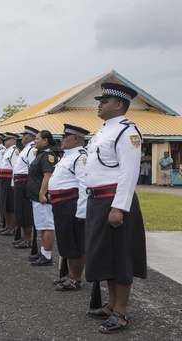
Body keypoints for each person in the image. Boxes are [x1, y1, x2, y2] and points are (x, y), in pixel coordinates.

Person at [85, 83, 147, 334]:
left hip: (114, 201)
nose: (99, 104)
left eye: (105, 100)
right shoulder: (103, 131)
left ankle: (120, 313)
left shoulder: (127, 132)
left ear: (119, 105)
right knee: (104, 255)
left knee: (120, 257)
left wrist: (118, 207)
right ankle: (111, 305)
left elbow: (129, 172)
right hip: (98, 200)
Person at [48, 124, 89, 290]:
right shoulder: (67, 156)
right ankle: (70, 274)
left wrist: (81, 211)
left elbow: (84, 185)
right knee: (66, 240)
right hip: (61, 204)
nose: (61, 139)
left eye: (65, 137)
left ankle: (76, 278)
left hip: (71, 204)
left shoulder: (81, 156)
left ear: (76, 139)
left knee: (74, 243)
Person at [26, 130, 57, 266]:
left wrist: (42, 194)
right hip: (37, 197)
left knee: (48, 226)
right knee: (42, 226)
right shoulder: (40, 154)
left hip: (43, 197)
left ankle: (48, 256)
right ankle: (43, 252)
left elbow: (47, 175)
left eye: (37, 139)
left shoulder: (48, 155)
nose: (35, 141)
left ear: (45, 140)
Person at [13, 126, 39, 249]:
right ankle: (25, 236)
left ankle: (28, 239)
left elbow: (33, 169)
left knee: (26, 211)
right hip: (20, 182)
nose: (22, 137)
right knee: (20, 210)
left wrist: (31, 187)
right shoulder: (26, 149)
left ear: (32, 137)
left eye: (25, 135)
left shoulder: (32, 149)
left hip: (25, 182)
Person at [0, 133, 20, 236]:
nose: (5, 142)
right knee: (4, 204)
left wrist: (12, 181)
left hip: (9, 179)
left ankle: (12, 227)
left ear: (13, 141)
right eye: (5, 140)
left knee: (10, 205)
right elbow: (2, 166)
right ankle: (6, 226)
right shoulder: (7, 151)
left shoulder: (15, 151)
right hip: (3, 178)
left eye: (7, 140)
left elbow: (15, 167)